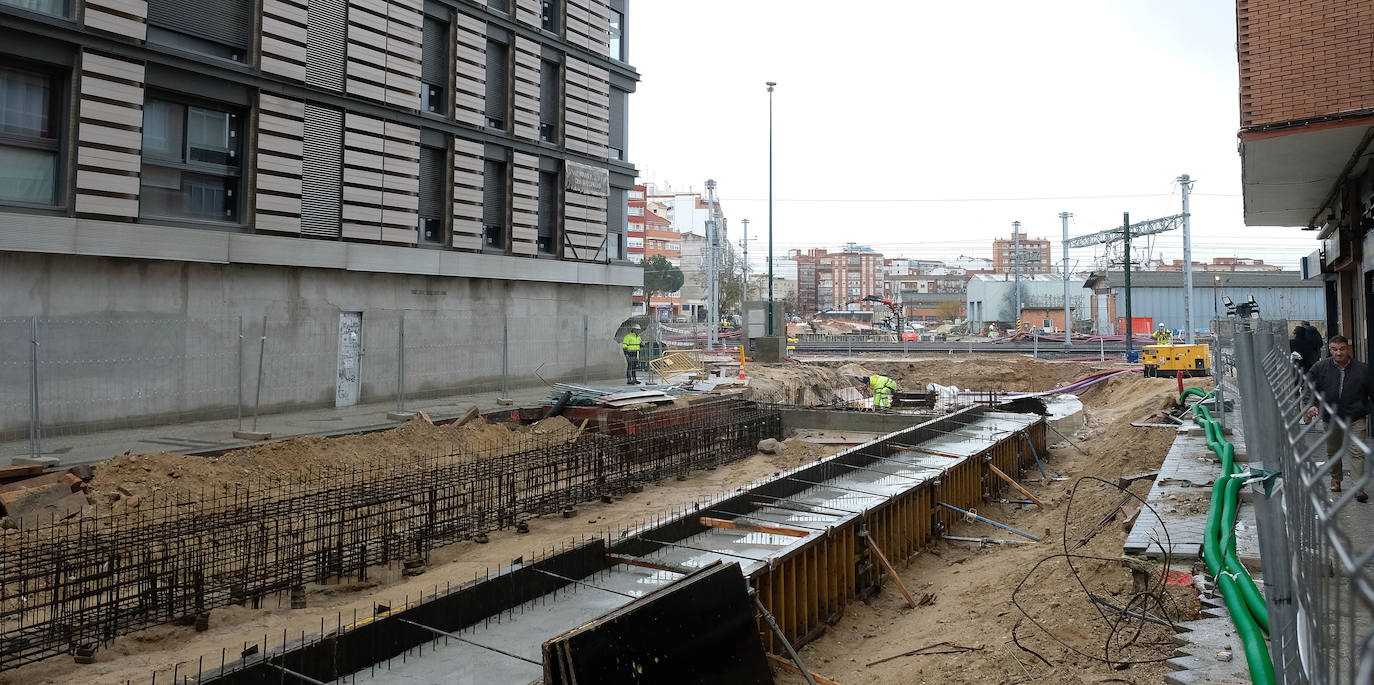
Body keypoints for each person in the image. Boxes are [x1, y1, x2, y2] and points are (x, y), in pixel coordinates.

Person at [1304, 335, 1374, 501]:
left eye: (1342, 349)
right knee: (1333, 451)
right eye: (1334, 349)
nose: (1338, 353)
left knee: (1357, 452)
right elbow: (1309, 388)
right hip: (1331, 416)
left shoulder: (1362, 369)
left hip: (1356, 416)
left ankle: (1358, 487)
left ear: (1347, 349)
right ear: (1330, 349)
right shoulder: (1320, 368)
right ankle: (1336, 478)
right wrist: (1310, 405)